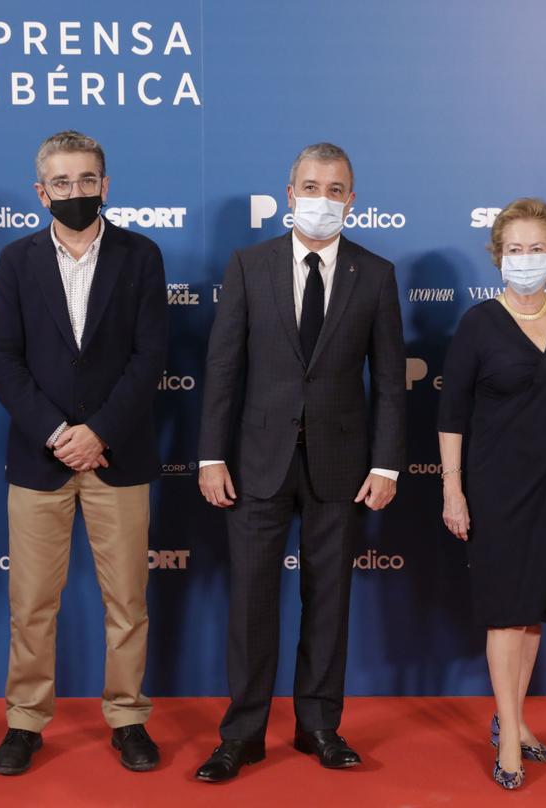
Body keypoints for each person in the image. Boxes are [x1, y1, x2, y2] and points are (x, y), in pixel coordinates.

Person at [194, 142, 406, 782]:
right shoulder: (249, 265)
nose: (322, 199)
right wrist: (210, 455)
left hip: (341, 463)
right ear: (289, 196)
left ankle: (319, 726)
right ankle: (243, 734)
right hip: (256, 460)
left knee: (330, 598)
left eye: (335, 189)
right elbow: (223, 368)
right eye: (310, 187)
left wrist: (388, 464)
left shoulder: (374, 273)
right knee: (252, 603)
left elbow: (391, 381)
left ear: (352, 200)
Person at [0, 131, 168, 775]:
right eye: (61, 183)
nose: (75, 192)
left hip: (118, 457)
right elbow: (3, 363)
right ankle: (26, 720)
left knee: (128, 603)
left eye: (86, 180)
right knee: (32, 602)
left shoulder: (141, 256)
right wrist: (58, 433)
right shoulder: (15, 261)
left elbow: (150, 358)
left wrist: (99, 433)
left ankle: (127, 716)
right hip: (40, 460)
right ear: (42, 192)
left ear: (105, 185)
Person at [437, 197, 546, 790]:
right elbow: (451, 416)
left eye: (535, 249)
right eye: (513, 250)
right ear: (497, 258)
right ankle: (510, 739)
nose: (524, 259)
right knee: (506, 615)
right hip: (497, 488)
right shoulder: (477, 324)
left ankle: (511, 720)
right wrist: (453, 491)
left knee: (536, 613)